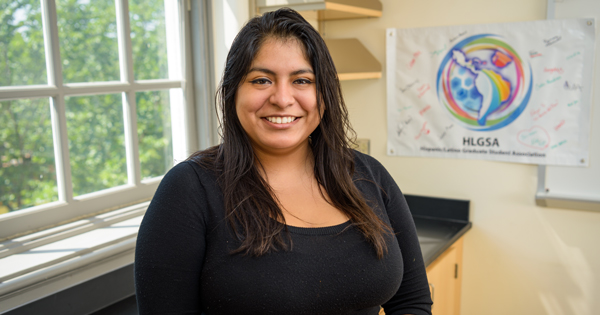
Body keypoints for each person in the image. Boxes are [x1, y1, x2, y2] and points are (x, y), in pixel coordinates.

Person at [134, 8, 432, 315]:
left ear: (324, 94)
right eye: (262, 80)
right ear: (234, 92)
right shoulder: (189, 190)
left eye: (302, 80)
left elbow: (412, 303)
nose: (282, 98)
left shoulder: (369, 176)